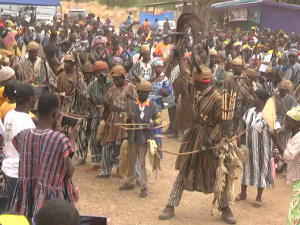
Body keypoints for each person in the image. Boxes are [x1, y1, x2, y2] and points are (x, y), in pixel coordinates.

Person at [159, 65, 236, 224]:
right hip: (193, 136)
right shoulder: (197, 92)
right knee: (184, 170)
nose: (192, 84)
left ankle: (225, 208)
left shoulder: (217, 99)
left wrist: (210, 141)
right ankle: (170, 205)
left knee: (217, 172)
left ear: (201, 82)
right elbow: (185, 74)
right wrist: (180, 57)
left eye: (195, 81)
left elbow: (222, 125)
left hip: (209, 140)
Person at [10, 93, 79, 221]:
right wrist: (72, 141)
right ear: (54, 113)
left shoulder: (24, 135)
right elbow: (70, 172)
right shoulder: (60, 139)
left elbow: (36, 154)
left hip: (27, 198)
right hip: (50, 205)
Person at [236, 89, 280, 208]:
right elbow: (243, 125)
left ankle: (258, 197)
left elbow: (275, 133)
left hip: (263, 148)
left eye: (255, 97)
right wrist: (239, 138)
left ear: (261, 101)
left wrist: (276, 150)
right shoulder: (249, 112)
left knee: (262, 170)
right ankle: (243, 193)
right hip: (249, 147)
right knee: (246, 169)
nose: (252, 99)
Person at [119, 79, 161, 198]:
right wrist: (129, 118)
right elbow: (126, 118)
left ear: (149, 93)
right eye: (141, 92)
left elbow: (158, 118)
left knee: (143, 163)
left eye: (146, 93)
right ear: (137, 92)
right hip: (133, 136)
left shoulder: (153, 106)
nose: (144, 94)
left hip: (145, 138)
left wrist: (151, 124)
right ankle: (130, 182)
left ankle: (144, 187)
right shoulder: (131, 105)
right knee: (131, 161)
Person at [95, 65, 136, 179]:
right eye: (114, 78)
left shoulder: (132, 88)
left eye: (118, 78)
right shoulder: (110, 90)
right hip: (112, 120)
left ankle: (120, 169)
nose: (116, 81)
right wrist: (104, 112)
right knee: (107, 145)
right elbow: (105, 107)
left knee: (122, 145)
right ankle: (106, 170)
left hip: (125, 120)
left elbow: (136, 103)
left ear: (124, 77)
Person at [2, 83, 38, 210]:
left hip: (8, 168)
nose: (35, 99)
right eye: (34, 97)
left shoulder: (9, 115)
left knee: (11, 206)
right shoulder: (27, 123)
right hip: (18, 172)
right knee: (19, 209)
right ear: (29, 100)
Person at [272, 106, 300, 225]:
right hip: (297, 176)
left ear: (297, 123)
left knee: (295, 209)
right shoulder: (294, 135)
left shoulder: (298, 138)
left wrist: (276, 141)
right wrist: (283, 167)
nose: (285, 122)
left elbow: (288, 156)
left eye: (288, 120)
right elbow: (293, 157)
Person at [85, 61, 112, 173]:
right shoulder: (92, 84)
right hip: (97, 113)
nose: (98, 75)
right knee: (95, 137)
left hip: (110, 113)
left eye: (100, 73)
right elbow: (89, 99)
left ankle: (113, 164)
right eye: (96, 73)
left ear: (106, 72)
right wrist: (92, 108)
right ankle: (96, 162)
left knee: (110, 138)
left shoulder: (112, 83)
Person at [149, 58, 172, 155]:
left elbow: (169, 93)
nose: (160, 69)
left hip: (157, 104)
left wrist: (165, 92)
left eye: (161, 67)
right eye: (157, 67)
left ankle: (158, 152)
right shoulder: (148, 78)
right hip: (148, 103)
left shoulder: (165, 80)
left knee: (157, 124)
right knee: (147, 124)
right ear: (153, 68)